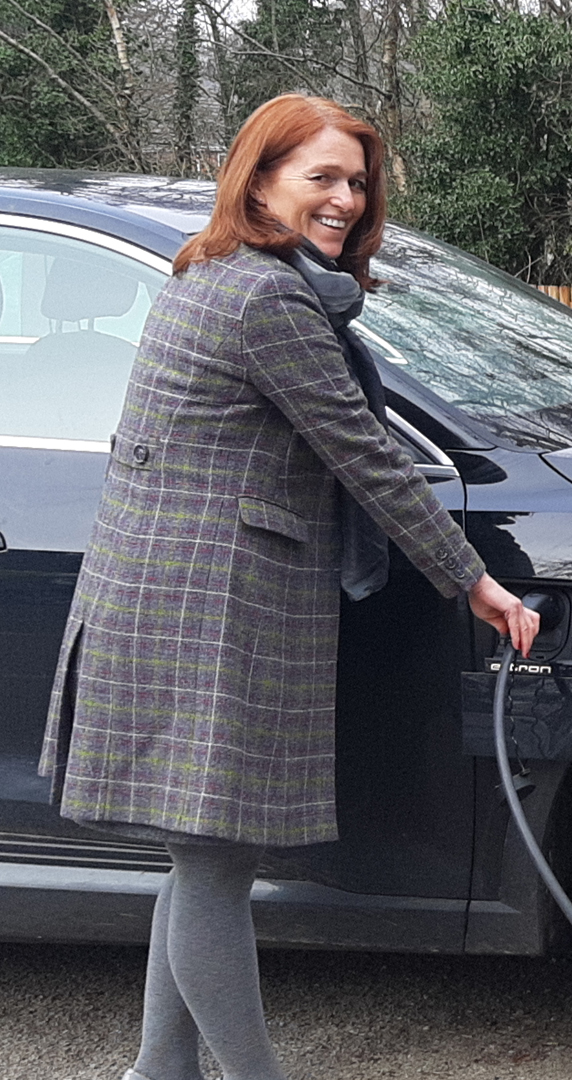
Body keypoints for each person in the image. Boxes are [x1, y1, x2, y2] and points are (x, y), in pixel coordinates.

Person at [37, 94, 539, 1080]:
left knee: (202, 865)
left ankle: (159, 1072)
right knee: (215, 869)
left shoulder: (218, 274)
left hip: (177, 596)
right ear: (260, 180)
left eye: (358, 180)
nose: (347, 198)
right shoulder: (266, 302)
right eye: (322, 176)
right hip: (208, 611)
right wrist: (474, 581)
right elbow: (370, 457)